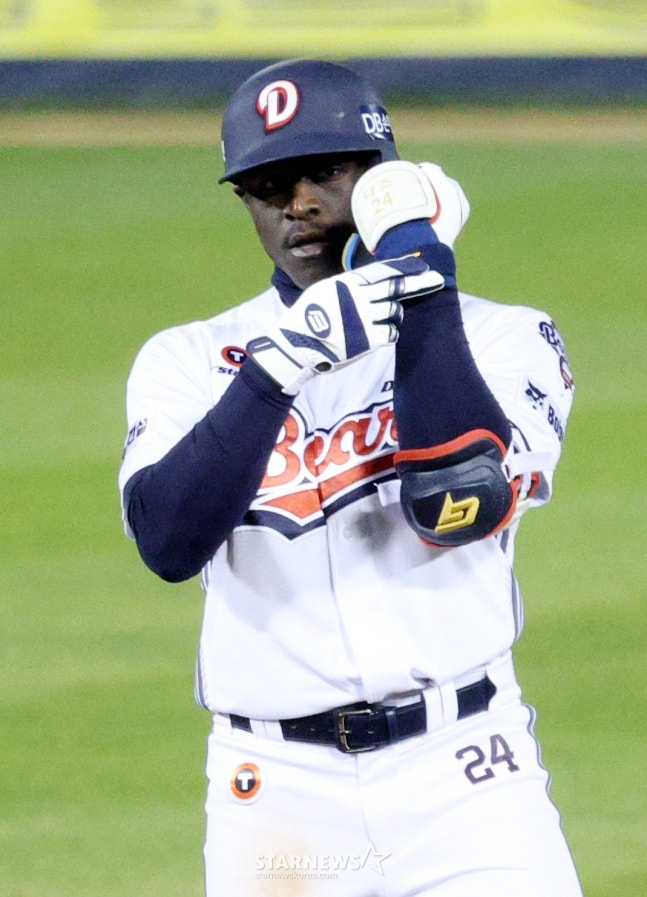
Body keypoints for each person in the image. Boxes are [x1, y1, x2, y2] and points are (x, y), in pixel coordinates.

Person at [118, 59, 582, 897]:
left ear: (382, 180)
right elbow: (167, 539)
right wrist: (280, 368)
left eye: (324, 174)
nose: (297, 205)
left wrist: (421, 285)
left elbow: (456, 504)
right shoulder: (187, 360)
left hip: (467, 777)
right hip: (276, 795)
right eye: (265, 186)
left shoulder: (509, 338)